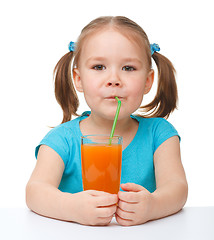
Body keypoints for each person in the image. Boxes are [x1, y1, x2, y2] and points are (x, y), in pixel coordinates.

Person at [26, 16, 188, 226]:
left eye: (128, 68)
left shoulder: (160, 134)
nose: (114, 79)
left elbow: (177, 188)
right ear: (78, 79)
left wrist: (153, 205)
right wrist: (72, 207)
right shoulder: (62, 139)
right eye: (99, 67)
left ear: (148, 81)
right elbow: (35, 191)